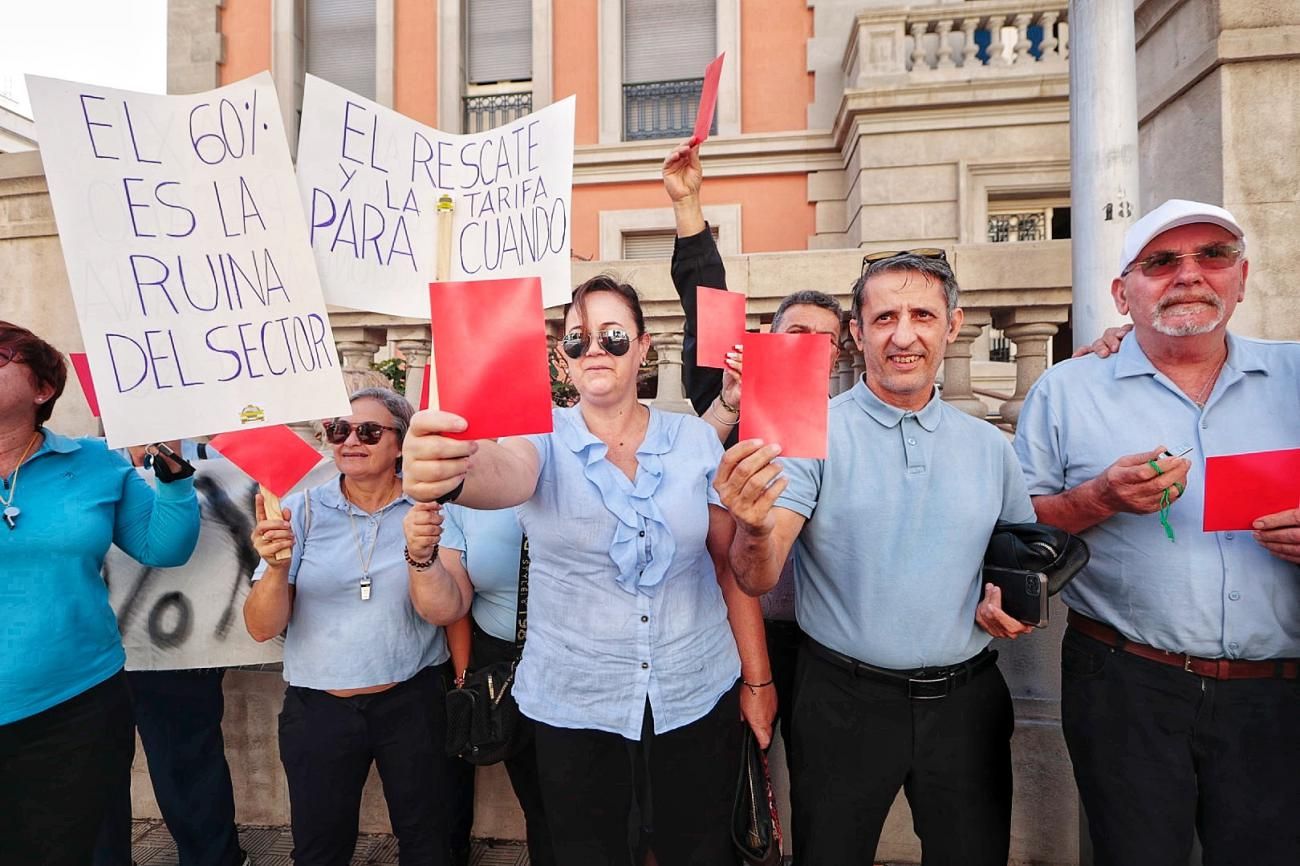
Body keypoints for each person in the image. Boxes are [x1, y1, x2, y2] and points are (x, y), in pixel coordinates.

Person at [401, 275, 776, 865]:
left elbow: (742, 574)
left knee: (698, 853)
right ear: (562, 358)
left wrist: (760, 678)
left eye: (612, 336)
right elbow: (501, 474)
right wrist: (448, 466)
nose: (594, 350)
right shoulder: (539, 437)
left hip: (695, 695)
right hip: (577, 706)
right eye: (577, 341)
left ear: (645, 346)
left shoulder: (694, 441)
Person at [715, 252, 1037, 865]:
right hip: (843, 702)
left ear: (954, 324)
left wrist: (1015, 605)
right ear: (858, 335)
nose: (904, 334)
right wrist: (753, 527)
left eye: (922, 314)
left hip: (967, 706)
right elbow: (756, 573)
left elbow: (1015, 563)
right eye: (884, 317)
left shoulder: (990, 448)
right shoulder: (811, 434)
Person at [1013, 199, 1300, 866]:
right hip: (1126, 681)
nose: (1189, 275)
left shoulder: (1294, 376)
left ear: (1243, 275)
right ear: (1123, 293)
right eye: (1161, 261)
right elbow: (1019, 525)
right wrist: (1097, 498)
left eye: (1213, 255)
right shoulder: (1067, 390)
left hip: (1276, 691)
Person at [662, 141, 844, 765]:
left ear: (840, 357)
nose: (811, 347)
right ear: (768, 342)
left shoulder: (858, 422)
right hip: (737, 630)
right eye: (797, 334)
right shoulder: (731, 396)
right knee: (738, 785)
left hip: (829, 645)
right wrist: (690, 208)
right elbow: (705, 301)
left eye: (826, 340)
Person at [0, 321, 201, 866]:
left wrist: (176, 478)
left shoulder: (94, 462)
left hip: (76, 708)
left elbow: (163, 548)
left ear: (42, 388)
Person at [245, 387, 456, 866]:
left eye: (369, 431)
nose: (350, 441)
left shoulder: (430, 510)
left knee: (428, 840)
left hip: (412, 701)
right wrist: (277, 569)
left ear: (401, 443)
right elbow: (260, 628)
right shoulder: (297, 510)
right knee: (319, 847)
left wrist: (421, 556)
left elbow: (445, 610)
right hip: (319, 709)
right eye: (339, 430)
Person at [94, 441, 250, 866]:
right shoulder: (86, 460)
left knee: (187, 764)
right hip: (93, 651)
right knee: (94, 777)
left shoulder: (223, 451)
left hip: (182, 649)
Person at [408, 504, 557, 866]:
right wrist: (466, 680)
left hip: (578, 658)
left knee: (595, 797)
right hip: (502, 666)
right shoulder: (463, 499)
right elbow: (455, 604)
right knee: (538, 802)